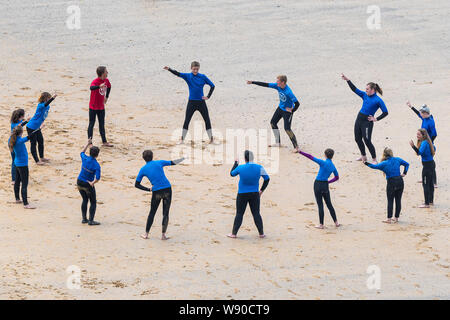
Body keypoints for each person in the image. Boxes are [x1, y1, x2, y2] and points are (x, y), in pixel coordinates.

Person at [135, 150, 185, 240]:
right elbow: (173, 162)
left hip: (156, 191)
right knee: (165, 213)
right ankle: (163, 235)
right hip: (167, 189)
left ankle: (146, 234)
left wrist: (148, 189)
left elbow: (136, 184)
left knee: (152, 212)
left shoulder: (143, 169)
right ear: (152, 156)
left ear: (143, 159)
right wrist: (183, 158)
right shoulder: (159, 162)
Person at [341, 74, 388, 164]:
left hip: (367, 122)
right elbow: (354, 89)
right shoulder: (364, 95)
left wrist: (376, 119)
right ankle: (363, 156)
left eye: (367, 89)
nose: (365, 90)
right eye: (366, 89)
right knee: (357, 139)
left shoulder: (378, 100)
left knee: (367, 140)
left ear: (373, 90)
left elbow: (385, 112)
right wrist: (348, 80)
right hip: (359, 119)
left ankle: (374, 159)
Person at [164, 61, 215, 143]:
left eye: (197, 69)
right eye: (194, 69)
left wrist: (208, 96)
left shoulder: (203, 77)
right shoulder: (187, 76)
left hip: (201, 102)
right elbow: (178, 74)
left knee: (207, 120)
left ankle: (211, 139)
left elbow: (212, 86)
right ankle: (182, 139)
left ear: (199, 69)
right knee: (187, 120)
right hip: (191, 102)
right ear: (191, 68)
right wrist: (169, 69)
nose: (195, 71)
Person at [247, 75, 300, 152]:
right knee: (273, 122)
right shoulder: (277, 86)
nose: (276, 82)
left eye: (278, 81)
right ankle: (278, 143)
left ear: (283, 82)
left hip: (287, 112)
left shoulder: (289, 92)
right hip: (280, 108)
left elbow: (297, 103)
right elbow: (265, 84)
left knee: (287, 129)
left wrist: (292, 110)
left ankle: (296, 147)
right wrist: (252, 82)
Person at [228, 150, 270, 238]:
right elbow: (267, 179)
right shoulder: (259, 167)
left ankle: (233, 234)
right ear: (252, 158)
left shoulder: (241, 168)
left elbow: (232, 174)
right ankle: (261, 233)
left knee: (239, 214)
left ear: (245, 158)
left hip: (242, 194)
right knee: (256, 213)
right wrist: (261, 190)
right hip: (255, 194)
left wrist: (236, 163)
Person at [297, 148, 340, 229]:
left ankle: (321, 224)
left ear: (325, 155)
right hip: (325, 185)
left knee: (320, 205)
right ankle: (336, 222)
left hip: (317, 184)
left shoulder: (322, 162)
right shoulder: (333, 166)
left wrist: (300, 151)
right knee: (329, 204)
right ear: (332, 156)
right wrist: (328, 182)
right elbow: (337, 177)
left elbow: (310, 156)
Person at [364, 148, 409, 223]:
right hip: (400, 181)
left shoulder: (384, 163)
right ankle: (396, 218)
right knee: (398, 200)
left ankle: (389, 219)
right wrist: (404, 173)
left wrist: (366, 163)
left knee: (390, 200)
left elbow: (373, 166)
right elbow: (407, 164)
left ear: (384, 154)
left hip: (391, 182)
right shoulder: (397, 159)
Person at [8, 124, 44, 209]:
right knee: (24, 184)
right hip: (22, 165)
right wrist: (39, 128)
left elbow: (29, 136)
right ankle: (25, 204)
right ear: (20, 133)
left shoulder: (12, 139)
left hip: (17, 163)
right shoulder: (19, 141)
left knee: (17, 181)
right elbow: (30, 136)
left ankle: (17, 199)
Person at [406, 102, 437, 187]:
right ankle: (425, 177)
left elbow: (434, 134)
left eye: (422, 113)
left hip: (429, 145)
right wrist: (411, 107)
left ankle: (434, 182)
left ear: (426, 113)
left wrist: (428, 143)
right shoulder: (424, 118)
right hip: (424, 142)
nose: (420, 115)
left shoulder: (430, 122)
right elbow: (418, 114)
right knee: (425, 161)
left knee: (430, 162)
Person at [26, 92, 57, 165]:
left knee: (41, 141)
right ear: (45, 99)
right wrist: (53, 98)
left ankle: (42, 157)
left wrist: (42, 123)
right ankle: (37, 161)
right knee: (33, 144)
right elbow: (45, 105)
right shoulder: (40, 105)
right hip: (31, 127)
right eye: (48, 98)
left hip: (37, 127)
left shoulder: (48, 107)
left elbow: (43, 115)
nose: (49, 99)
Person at [77, 139, 101, 225]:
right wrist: (93, 183)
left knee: (84, 200)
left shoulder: (85, 158)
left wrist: (87, 143)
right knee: (93, 202)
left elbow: (82, 152)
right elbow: (98, 178)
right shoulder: (96, 165)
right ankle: (91, 220)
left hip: (79, 181)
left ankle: (84, 219)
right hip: (88, 184)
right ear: (97, 155)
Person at [409, 128, 436, 208]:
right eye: (417, 134)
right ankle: (430, 201)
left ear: (423, 135)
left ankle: (426, 203)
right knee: (430, 183)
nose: (417, 136)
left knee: (425, 184)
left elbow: (419, 152)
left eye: (419, 134)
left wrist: (413, 146)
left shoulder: (424, 143)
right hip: (432, 164)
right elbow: (434, 149)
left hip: (427, 166)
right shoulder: (429, 141)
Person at [88, 66, 112, 147]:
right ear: (102, 73)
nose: (107, 72)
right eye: (106, 71)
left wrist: (107, 97)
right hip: (93, 106)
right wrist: (99, 86)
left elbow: (109, 87)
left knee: (102, 124)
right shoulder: (95, 81)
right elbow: (91, 88)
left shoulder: (106, 80)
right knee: (92, 124)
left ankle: (104, 142)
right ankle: (90, 143)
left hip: (101, 107)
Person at [9, 109, 30, 184]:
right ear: (20, 116)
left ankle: (17, 178)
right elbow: (20, 125)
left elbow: (21, 123)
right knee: (14, 160)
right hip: (13, 143)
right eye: (23, 115)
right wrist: (26, 121)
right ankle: (14, 179)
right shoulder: (14, 125)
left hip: (16, 142)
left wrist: (26, 120)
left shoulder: (17, 120)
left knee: (17, 159)